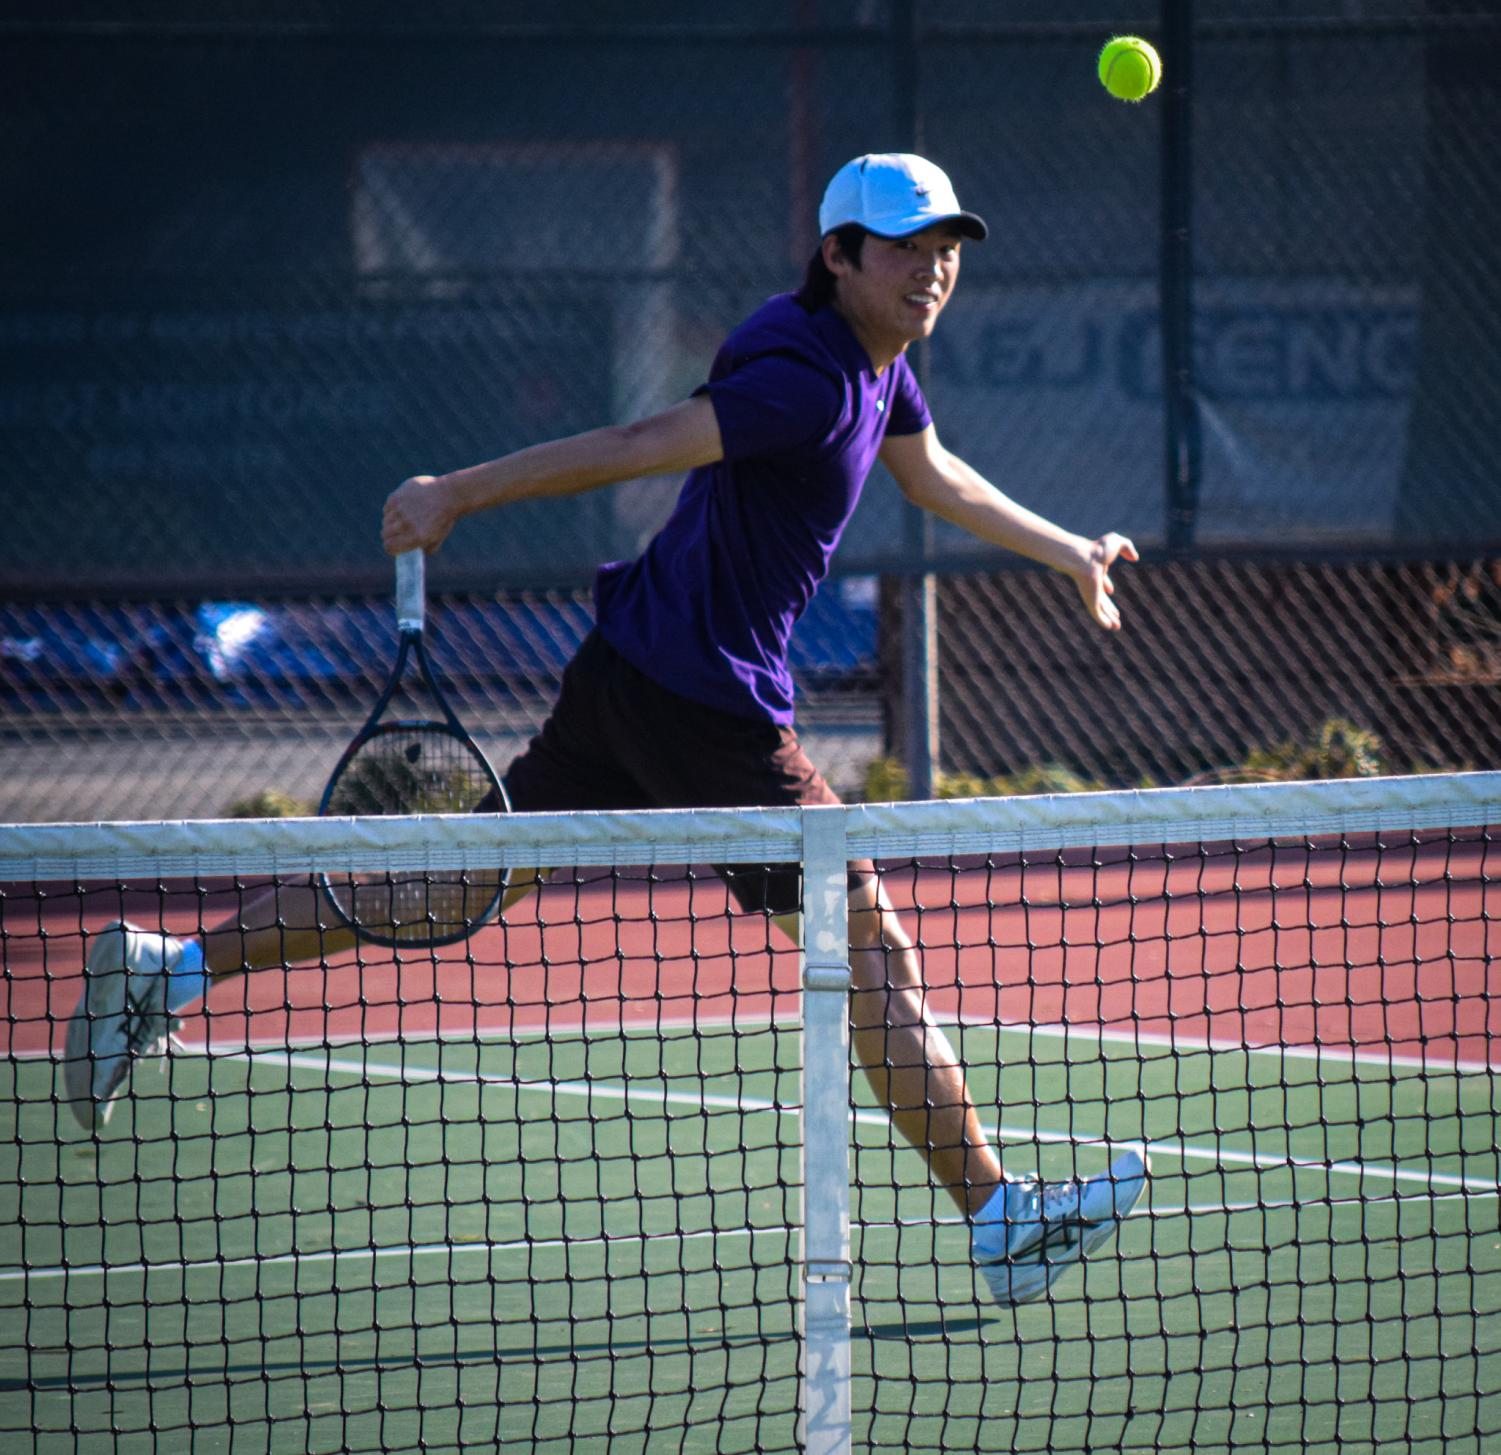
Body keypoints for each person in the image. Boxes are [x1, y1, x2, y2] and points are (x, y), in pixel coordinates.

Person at [66, 153, 1146, 1306]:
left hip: (629, 669)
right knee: (870, 945)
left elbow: (934, 480)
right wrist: (455, 495)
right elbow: (636, 444)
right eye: (907, 246)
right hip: (708, 706)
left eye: (948, 247)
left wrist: (1065, 549)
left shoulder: (874, 366)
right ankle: (995, 1220)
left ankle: (165, 968)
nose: (935, 267)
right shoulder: (808, 380)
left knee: (459, 889)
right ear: (839, 256)